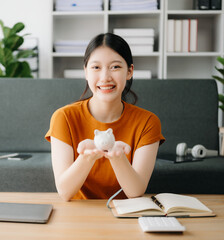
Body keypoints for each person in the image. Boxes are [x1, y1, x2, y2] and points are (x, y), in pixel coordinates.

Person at [45, 33, 165, 201]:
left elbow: (135, 192)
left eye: (115, 67)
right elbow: (65, 192)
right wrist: (87, 157)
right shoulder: (63, 117)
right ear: (86, 72)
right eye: (96, 67)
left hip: (126, 217)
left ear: (129, 71)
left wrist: (118, 158)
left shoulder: (148, 122)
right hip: (78, 217)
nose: (105, 77)